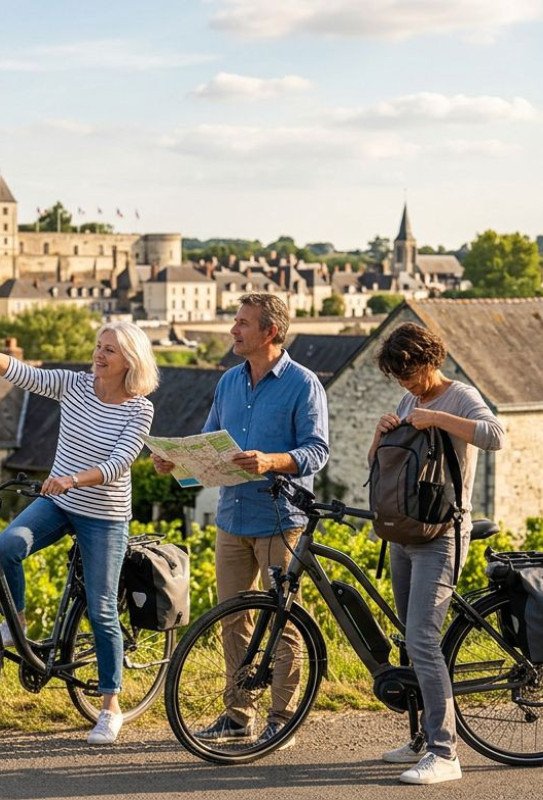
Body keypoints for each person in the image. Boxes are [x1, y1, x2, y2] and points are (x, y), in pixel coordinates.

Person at [0, 322, 158, 745]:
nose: (98, 355)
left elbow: (119, 464)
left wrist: (71, 479)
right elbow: (20, 373)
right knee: (5, 547)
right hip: (59, 503)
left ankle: (110, 705)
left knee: (102, 608)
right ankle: (13, 619)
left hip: (104, 515)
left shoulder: (138, 409)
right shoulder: (73, 385)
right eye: (98, 346)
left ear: (130, 360)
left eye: (109, 350)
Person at [152, 293, 329, 750]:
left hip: (280, 519)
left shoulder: (304, 384)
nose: (233, 329)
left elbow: (318, 452)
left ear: (270, 332)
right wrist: (178, 464)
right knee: (234, 620)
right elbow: (210, 443)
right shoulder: (229, 381)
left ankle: (282, 719)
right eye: (235, 321)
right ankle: (238, 716)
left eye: (242, 323)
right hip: (232, 518)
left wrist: (271, 461)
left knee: (283, 622)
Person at [369, 322, 506, 785]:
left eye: (410, 374)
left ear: (431, 362)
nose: (405, 386)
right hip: (406, 531)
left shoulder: (459, 395)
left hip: (443, 534)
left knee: (423, 638)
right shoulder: (409, 400)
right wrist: (381, 432)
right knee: (408, 639)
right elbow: (382, 464)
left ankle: (446, 753)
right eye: (399, 378)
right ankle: (422, 738)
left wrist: (440, 419)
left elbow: (495, 435)